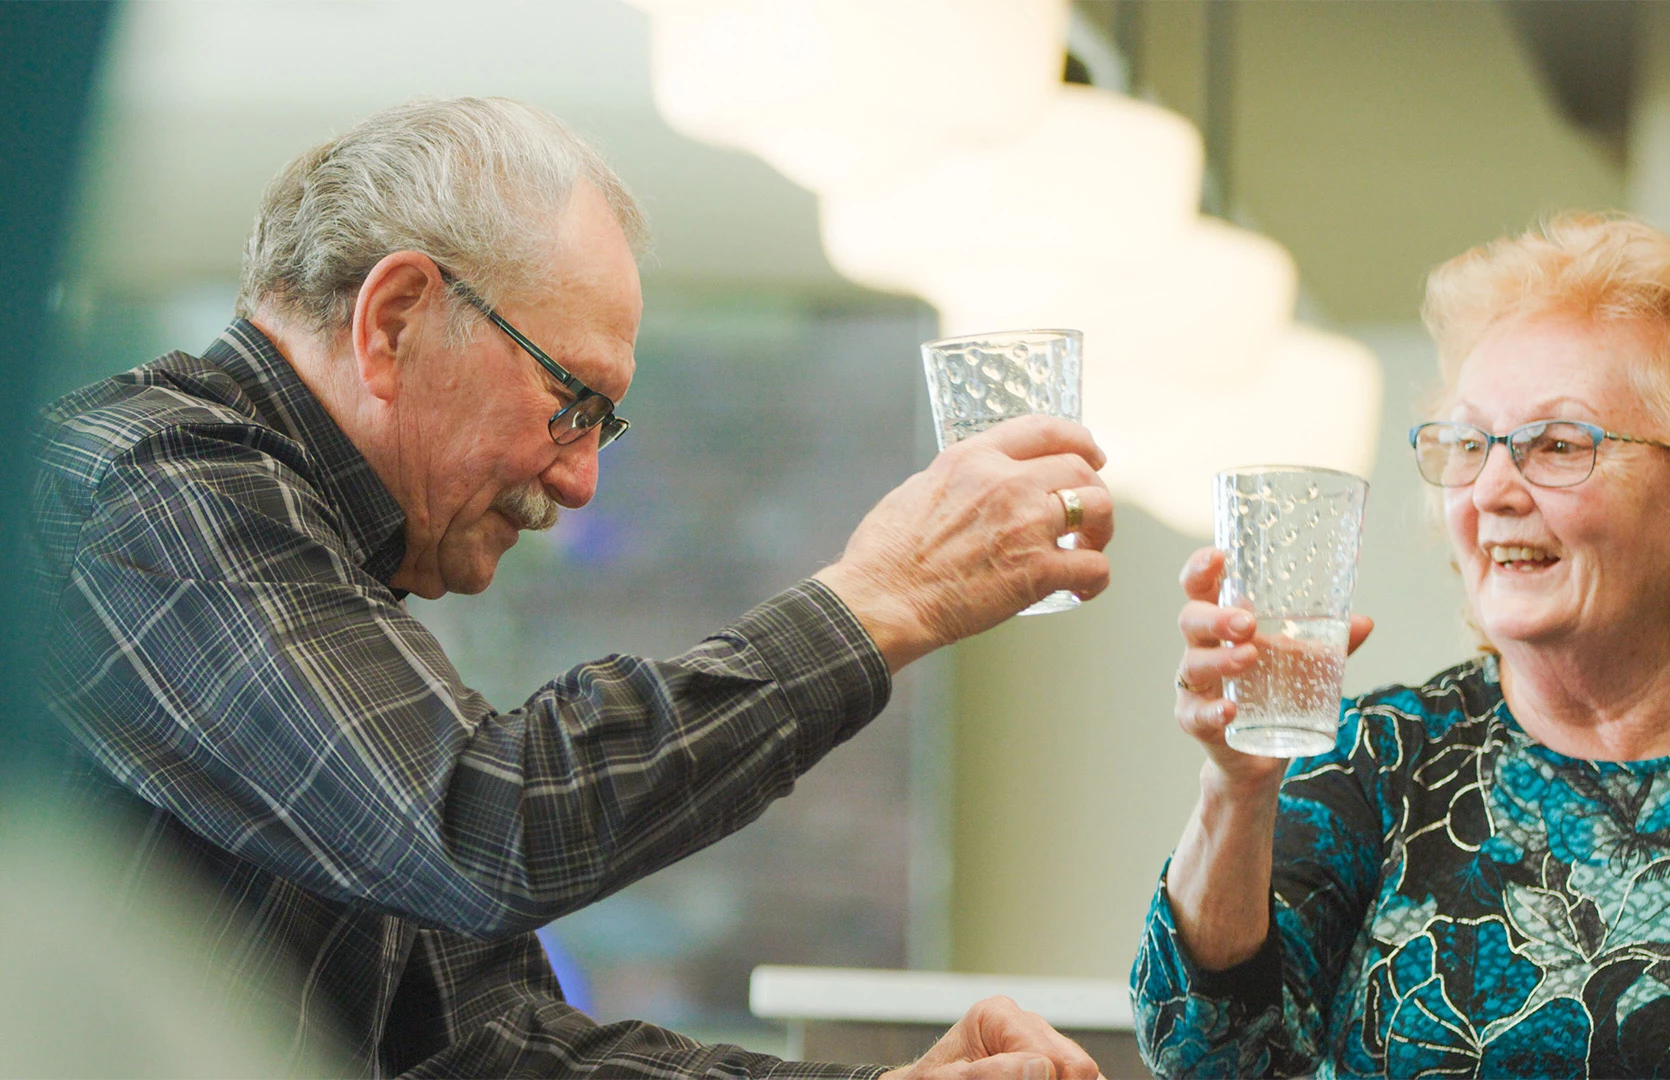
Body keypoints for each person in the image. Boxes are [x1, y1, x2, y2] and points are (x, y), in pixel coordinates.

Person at [32, 97, 1113, 1079]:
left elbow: (491, 1045)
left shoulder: (322, 570)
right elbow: (488, 825)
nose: (582, 478)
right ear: (396, 319)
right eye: (571, 400)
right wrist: (882, 600)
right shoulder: (145, 488)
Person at [1131, 213, 1670, 1077]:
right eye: (1471, 444)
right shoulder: (1381, 755)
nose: (1494, 488)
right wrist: (1235, 788)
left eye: (1558, 444)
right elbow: (1207, 1056)